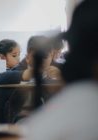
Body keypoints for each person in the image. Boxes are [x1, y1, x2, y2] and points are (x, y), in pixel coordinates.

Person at [18, 0, 98, 140]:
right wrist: (27, 73)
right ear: (28, 55)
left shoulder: (59, 68)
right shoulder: (23, 66)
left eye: (48, 55)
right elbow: (5, 77)